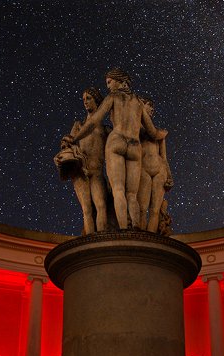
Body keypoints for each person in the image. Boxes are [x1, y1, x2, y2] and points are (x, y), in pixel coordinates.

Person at [63, 68, 167, 230]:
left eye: (109, 82)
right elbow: (153, 132)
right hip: (134, 146)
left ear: (120, 81)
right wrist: (164, 134)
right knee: (131, 194)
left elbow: (93, 122)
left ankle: (124, 229)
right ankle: (135, 229)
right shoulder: (138, 103)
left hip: (117, 141)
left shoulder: (112, 97)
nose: (108, 87)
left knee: (118, 189)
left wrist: (74, 138)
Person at [55, 87, 109, 234]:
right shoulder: (78, 125)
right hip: (81, 172)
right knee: (87, 209)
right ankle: (91, 240)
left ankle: (103, 240)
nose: (85, 102)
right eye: (84, 99)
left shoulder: (105, 129)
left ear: (97, 101)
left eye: (89, 98)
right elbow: (68, 143)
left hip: (97, 171)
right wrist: (65, 143)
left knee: (101, 205)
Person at [136, 96, 173, 232]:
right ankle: (140, 238)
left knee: (155, 210)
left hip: (160, 170)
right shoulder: (135, 127)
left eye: (152, 107)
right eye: (149, 105)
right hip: (143, 168)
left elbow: (164, 156)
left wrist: (169, 175)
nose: (152, 109)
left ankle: (152, 238)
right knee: (142, 208)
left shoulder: (160, 133)